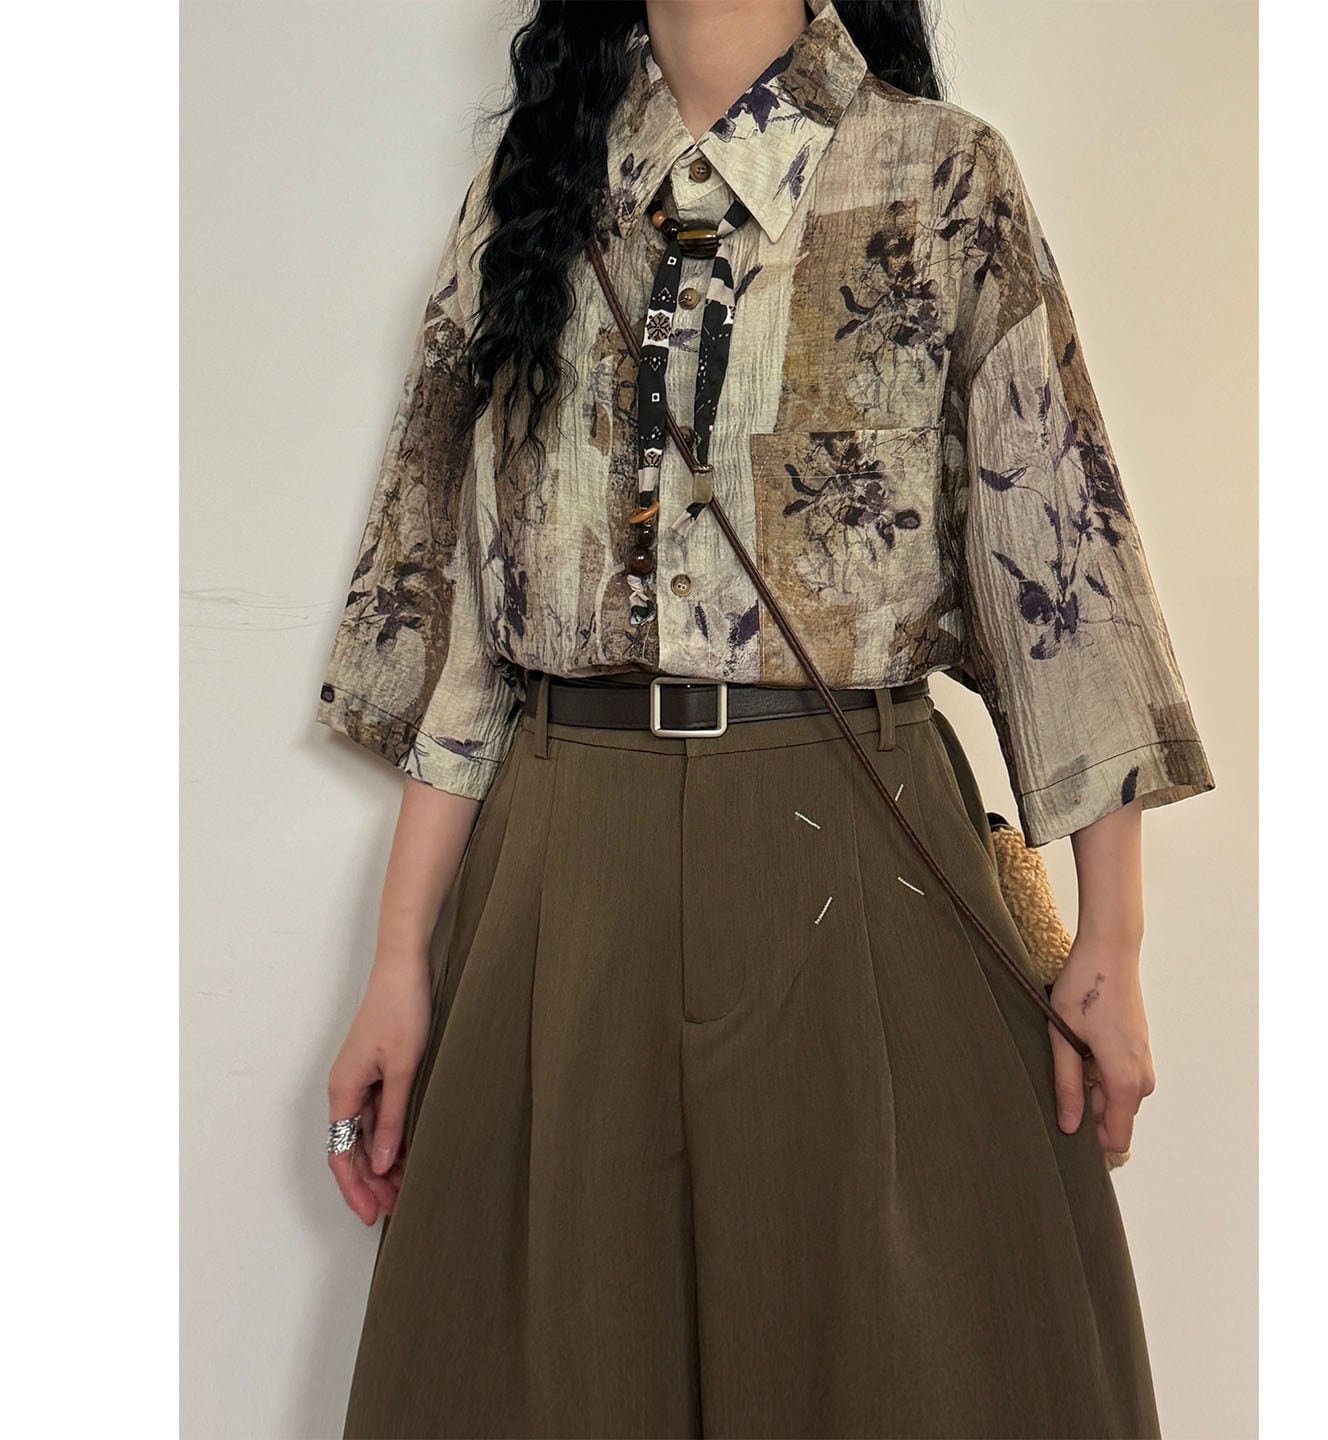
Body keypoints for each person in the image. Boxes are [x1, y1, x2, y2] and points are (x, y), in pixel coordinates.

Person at [314, 1, 1215, 1435]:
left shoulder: (938, 175)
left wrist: (1112, 936)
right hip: (565, 869)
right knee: (560, 1371)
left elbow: (1062, 562)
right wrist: (398, 964)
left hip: (857, 854)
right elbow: (472, 631)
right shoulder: (532, 193)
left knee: (893, 1366)